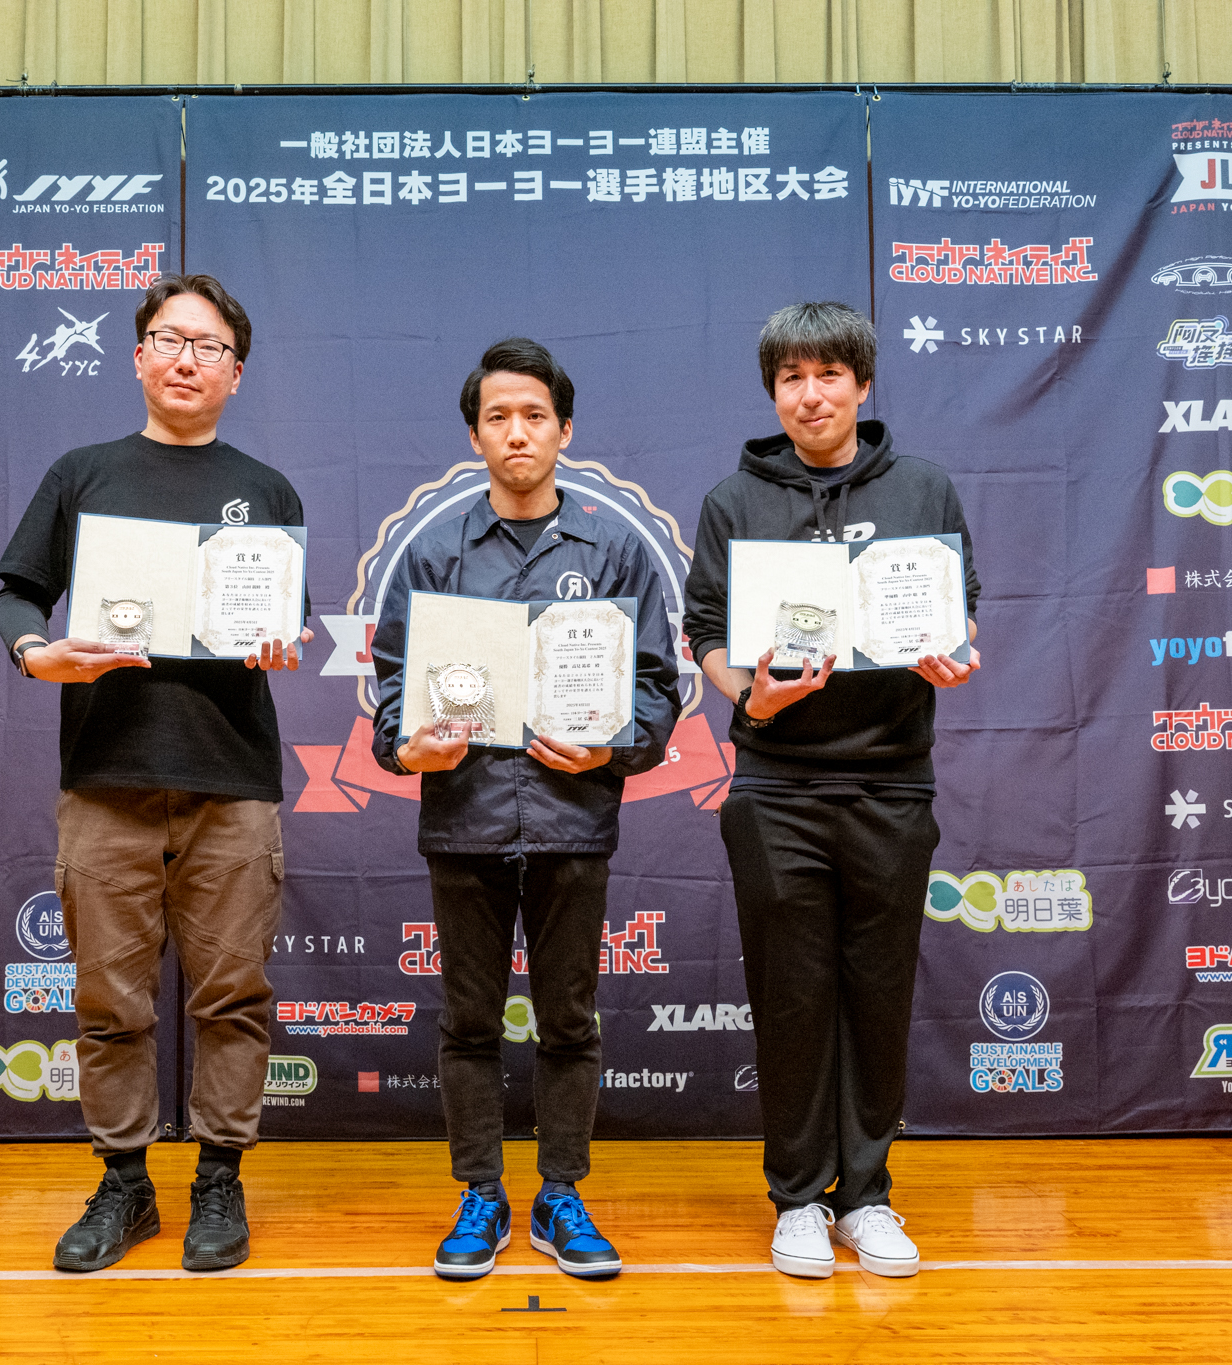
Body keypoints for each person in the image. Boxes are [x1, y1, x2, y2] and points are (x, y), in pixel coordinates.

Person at [0, 273, 312, 1274]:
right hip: (106, 778)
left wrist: (283, 639)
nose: (186, 359)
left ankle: (220, 1178)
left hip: (231, 781)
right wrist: (35, 653)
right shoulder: (82, 474)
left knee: (232, 998)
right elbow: (15, 596)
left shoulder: (267, 489)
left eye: (209, 346)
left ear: (235, 373)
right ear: (137, 356)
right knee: (109, 1003)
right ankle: (124, 1182)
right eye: (169, 339)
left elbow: (284, 617)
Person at [369, 338, 680, 1281]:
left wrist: (612, 746)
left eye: (534, 415)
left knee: (569, 1020)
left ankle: (560, 1192)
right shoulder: (434, 551)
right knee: (468, 1021)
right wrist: (409, 746)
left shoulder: (615, 547)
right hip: (463, 817)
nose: (517, 432)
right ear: (475, 435)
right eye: (498, 416)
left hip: (572, 818)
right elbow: (391, 694)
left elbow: (657, 687)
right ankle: (480, 1192)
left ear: (564, 430)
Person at [682, 301, 981, 1280]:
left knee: (879, 996)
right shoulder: (734, 500)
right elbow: (705, 633)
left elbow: (962, 612)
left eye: (828, 375)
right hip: (776, 787)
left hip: (892, 782)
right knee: (793, 999)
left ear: (862, 383)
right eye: (791, 379)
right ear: (773, 392)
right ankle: (798, 1199)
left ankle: (867, 1197)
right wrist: (750, 696)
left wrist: (954, 654)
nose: (810, 395)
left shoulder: (923, 488)